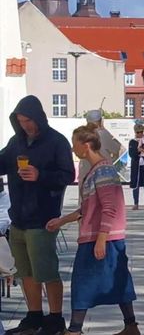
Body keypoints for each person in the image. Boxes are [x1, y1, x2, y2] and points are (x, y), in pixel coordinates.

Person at [46, 124, 139, 335]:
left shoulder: (103, 170)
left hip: (100, 238)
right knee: (118, 280)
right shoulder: (97, 170)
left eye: (75, 144)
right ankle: (131, 326)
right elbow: (88, 208)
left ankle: (74, 330)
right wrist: (61, 221)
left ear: (86, 145)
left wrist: (101, 239)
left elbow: (110, 207)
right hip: (103, 237)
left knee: (82, 283)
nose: (72, 149)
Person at [0, 95, 75, 335]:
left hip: (43, 218)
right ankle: (33, 316)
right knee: (25, 273)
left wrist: (40, 175)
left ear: (39, 118)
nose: (25, 126)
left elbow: (67, 175)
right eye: (21, 121)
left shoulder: (56, 142)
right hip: (19, 218)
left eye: (28, 120)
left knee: (47, 271)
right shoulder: (16, 142)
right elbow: (2, 163)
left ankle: (55, 319)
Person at [78, 110, 121, 185]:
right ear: (100, 121)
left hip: (85, 173)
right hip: (102, 174)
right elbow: (116, 148)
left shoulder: (82, 135)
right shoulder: (103, 134)